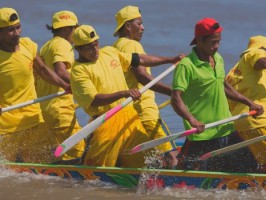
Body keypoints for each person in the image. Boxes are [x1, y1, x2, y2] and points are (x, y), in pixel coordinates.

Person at [70, 24, 182, 168]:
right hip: (106, 121)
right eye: (88, 47)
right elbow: (94, 100)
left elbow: (139, 59)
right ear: (78, 49)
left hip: (130, 116)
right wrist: (123, 93)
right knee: (96, 167)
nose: (94, 49)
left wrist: (170, 59)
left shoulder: (110, 52)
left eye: (96, 44)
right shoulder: (79, 70)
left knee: (146, 161)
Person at [171, 18, 264, 172]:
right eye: (213, 42)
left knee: (251, 170)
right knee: (186, 180)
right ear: (199, 40)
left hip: (226, 129)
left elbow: (223, 86)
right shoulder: (186, 66)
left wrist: (249, 103)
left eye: (219, 42)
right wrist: (192, 120)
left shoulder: (218, 59)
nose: (217, 46)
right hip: (201, 134)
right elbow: (175, 98)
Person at [0, 8, 69, 163]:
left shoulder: (28, 45)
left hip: (34, 119)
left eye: (18, 27)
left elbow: (43, 70)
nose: (17, 33)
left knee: (51, 164)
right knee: (10, 175)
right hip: (7, 127)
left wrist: (65, 85)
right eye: (10, 30)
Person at [112, 5, 178, 168]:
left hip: (129, 113)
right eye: (139, 23)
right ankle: (174, 189)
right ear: (128, 26)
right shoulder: (132, 45)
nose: (143, 28)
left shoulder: (116, 47)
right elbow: (142, 76)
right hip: (145, 111)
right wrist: (173, 92)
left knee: (146, 157)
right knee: (171, 156)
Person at [35, 10, 85, 164]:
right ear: (65, 29)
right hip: (60, 109)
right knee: (77, 151)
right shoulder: (63, 44)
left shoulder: (46, 46)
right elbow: (61, 70)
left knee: (58, 153)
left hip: (45, 110)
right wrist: (85, 87)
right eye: (75, 28)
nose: (76, 33)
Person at [225, 35, 266, 173]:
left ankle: (263, 189)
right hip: (259, 121)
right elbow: (263, 62)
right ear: (265, 49)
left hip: (241, 124)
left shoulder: (235, 70)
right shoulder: (255, 53)